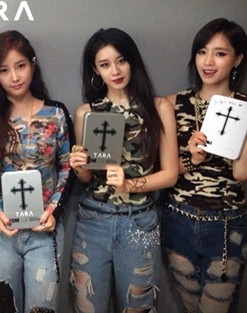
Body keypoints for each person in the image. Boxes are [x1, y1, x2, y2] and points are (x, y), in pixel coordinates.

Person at [161, 18, 247, 313]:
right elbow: (164, 170)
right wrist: (191, 157)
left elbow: (242, 171)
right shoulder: (172, 103)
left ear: (237, 59)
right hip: (178, 219)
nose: (208, 61)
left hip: (226, 225)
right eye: (202, 52)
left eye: (220, 53)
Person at [69, 27, 178, 313]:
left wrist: (129, 185)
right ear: (96, 70)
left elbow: (170, 174)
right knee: (87, 305)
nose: (115, 71)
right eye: (105, 64)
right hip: (93, 219)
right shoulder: (86, 113)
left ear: (132, 60)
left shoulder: (159, 108)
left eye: (121, 60)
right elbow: (87, 178)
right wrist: (79, 167)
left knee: (138, 306)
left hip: (138, 220)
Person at [0, 30, 75, 313]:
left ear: (33, 64)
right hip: (1, 231)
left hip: (44, 230)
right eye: (4, 70)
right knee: (3, 307)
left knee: (43, 308)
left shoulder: (56, 113)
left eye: (20, 66)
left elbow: (67, 167)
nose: (14, 77)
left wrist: (54, 211)